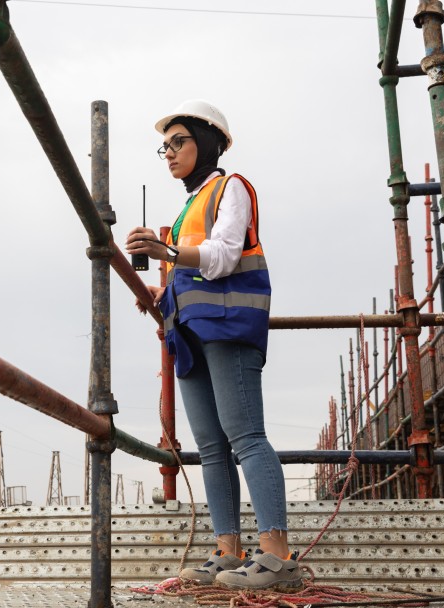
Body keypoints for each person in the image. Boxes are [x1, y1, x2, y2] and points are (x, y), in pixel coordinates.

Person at [125, 100, 301, 592]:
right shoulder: (188, 208)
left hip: (227, 328)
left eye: (178, 142)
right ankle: (229, 553)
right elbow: (194, 267)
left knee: (245, 436)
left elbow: (222, 257)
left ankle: (277, 556)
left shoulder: (232, 188)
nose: (169, 153)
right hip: (191, 333)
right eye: (164, 146)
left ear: (207, 141)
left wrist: (164, 251)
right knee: (211, 448)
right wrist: (164, 291)